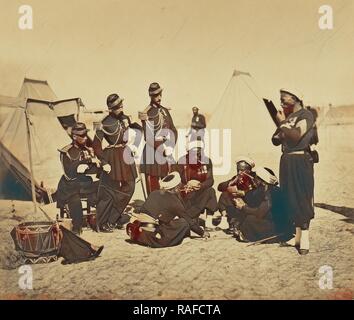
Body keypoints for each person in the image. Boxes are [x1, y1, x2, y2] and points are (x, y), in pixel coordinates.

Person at [272, 88, 316, 255]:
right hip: (286, 160)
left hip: (300, 160)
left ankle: (305, 237)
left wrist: (282, 124)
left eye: (285, 97)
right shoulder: (288, 117)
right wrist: (282, 127)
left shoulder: (306, 115)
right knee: (290, 196)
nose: (281, 101)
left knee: (302, 196)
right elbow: (275, 139)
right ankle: (297, 236)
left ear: (296, 98)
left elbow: (296, 136)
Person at [126, 171, 210, 248]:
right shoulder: (174, 201)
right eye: (180, 185)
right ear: (176, 187)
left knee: (168, 222)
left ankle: (141, 236)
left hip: (140, 227)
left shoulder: (154, 193)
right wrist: (202, 232)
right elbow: (188, 220)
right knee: (184, 223)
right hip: (155, 235)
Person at [92, 93, 138, 232]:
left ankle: (113, 218)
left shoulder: (126, 118)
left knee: (130, 187)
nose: (121, 108)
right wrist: (104, 162)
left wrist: (134, 145)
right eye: (118, 107)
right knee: (109, 192)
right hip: (112, 158)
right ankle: (104, 222)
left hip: (125, 155)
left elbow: (136, 130)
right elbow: (96, 145)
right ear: (111, 109)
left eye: (121, 105)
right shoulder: (103, 123)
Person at [56, 122, 100, 234]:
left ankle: (103, 220)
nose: (85, 138)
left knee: (104, 186)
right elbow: (69, 173)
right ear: (75, 137)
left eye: (86, 135)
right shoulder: (66, 152)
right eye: (82, 136)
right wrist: (85, 162)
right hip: (69, 185)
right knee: (74, 200)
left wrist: (96, 163)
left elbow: (91, 170)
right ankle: (77, 226)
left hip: (83, 183)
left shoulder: (86, 149)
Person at [229, 167, 291, 243]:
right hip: (277, 223)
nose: (253, 180)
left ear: (262, 181)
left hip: (278, 227)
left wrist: (243, 207)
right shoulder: (268, 189)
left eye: (256, 178)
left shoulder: (271, 193)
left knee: (250, 219)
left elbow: (259, 213)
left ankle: (247, 235)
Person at [139, 82, 178, 195]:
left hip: (166, 149)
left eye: (160, 94)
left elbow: (174, 130)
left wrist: (171, 146)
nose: (159, 97)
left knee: (169, 183)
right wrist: (163, 149)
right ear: (151, 96)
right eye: (156, 95)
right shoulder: (146, 113)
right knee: (153, 186)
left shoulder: (165, 111)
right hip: (152, 151)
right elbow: (148, 137)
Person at [173, 140, 218, 231]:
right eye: (194, 154)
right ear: (188, 153)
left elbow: (210, 180)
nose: (197, 157)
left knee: (211, 191)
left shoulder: (207, 161)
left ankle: (208, 221)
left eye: (199, 154)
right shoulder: (181, 162)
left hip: (200, 190)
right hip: (186, 192)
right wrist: (185, 186)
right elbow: (175, 180)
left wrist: (201, 185)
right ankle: (191, 217)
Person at [216, 156, 258, 233]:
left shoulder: (255, 178)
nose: (239, 172)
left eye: (242, 170)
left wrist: (244, 193)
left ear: (248, 170)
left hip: (251, 203)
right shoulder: (237, 177)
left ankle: (236, 223)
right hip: (237, 204)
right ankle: (224, 219)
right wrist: (232, 182)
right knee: (225, 194)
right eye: (238, 170)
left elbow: (258, 191)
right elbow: (220, 187)